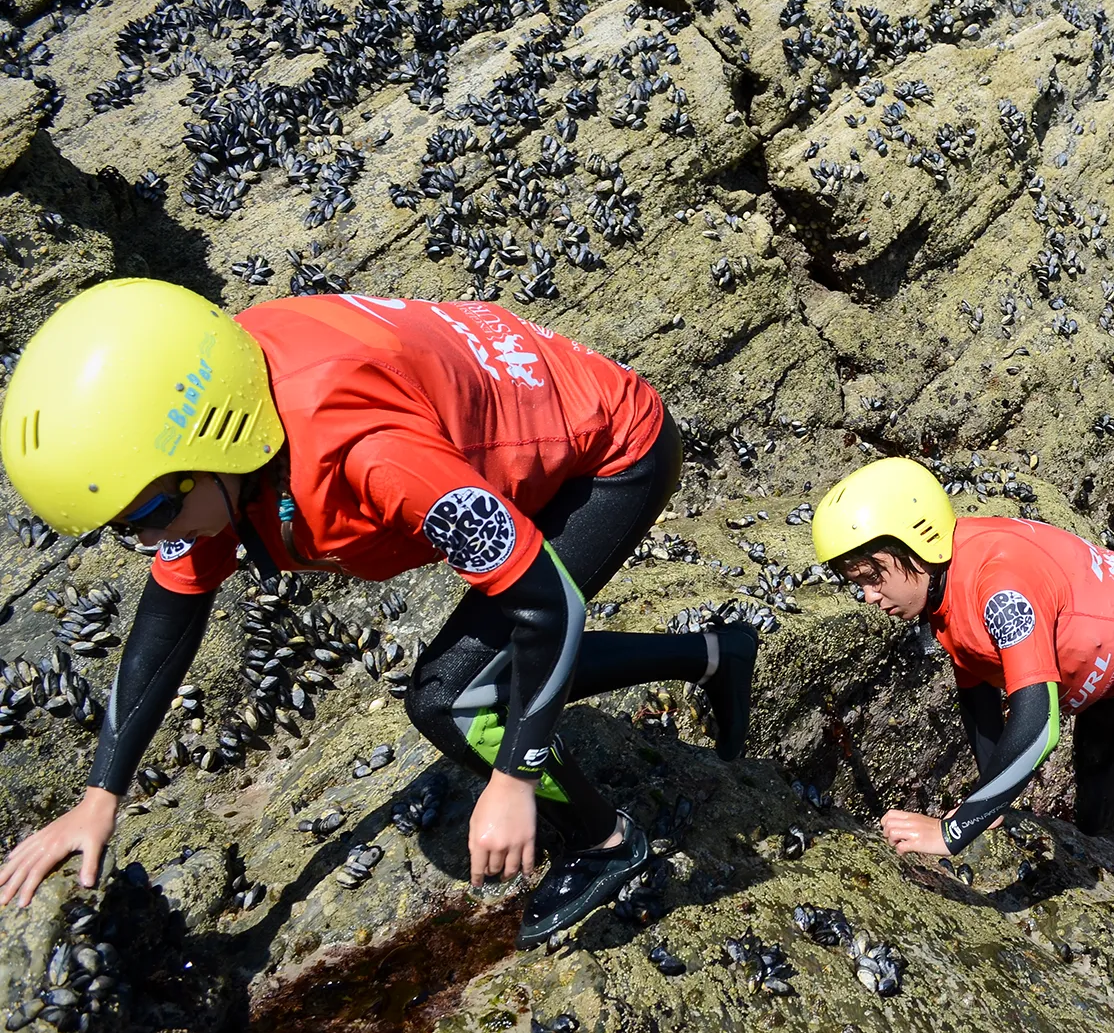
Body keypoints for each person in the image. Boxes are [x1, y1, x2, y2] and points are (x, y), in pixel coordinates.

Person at [0, 280, 759, 949]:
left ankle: (606, 841)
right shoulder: (214, 414)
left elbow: (547, 604)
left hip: (609, 455)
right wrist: (100, 795)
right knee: (495, 671)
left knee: (451, 699)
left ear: (218, 443)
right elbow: (168, 618)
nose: (151, 538)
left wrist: (516, 779)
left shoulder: (367, 451)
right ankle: (717, 654)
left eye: (157, 511)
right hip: (516, 417)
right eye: (126, 527)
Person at [811, 458, 1114, 1015]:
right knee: (1098, 823)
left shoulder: (999, 586)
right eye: (854, 584)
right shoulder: (940, 590)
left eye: (873, 577)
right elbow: (981, 694)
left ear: (920, 544)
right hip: (1108, 690)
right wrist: (993, 800)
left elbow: (1037, 727)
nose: (867, 597)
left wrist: (957, 828)